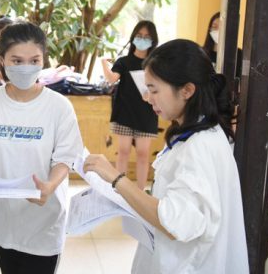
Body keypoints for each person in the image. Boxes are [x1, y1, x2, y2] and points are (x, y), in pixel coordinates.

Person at [84, 39, 249, 274]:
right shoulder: (195, 133)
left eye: (154, 90)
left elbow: (175, 223)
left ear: (187, 90)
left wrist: (117, 179)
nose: (148, 98)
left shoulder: (199, 146)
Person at [0, 21, 83, 274]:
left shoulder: (59, 106)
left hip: (43, 218)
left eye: (34, 60)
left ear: (43, 60)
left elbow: (65, 157)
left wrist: (49, 186)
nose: (26, 67)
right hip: (2, 216)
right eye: (17, 61)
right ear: (2, 60)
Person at [101, 20, 159, 191]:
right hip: (125, 112)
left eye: (147, 37)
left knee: (143, 154)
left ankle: (140, 191)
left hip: (147, 113)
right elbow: (111, 78)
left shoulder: (155, 64)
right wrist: (104, 63)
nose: (142, 39)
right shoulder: (124, 61)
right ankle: (121, 190)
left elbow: (161, 86)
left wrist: (152, 94)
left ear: (153, 40)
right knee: (123, 151)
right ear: (133, 37)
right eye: (139, 35)